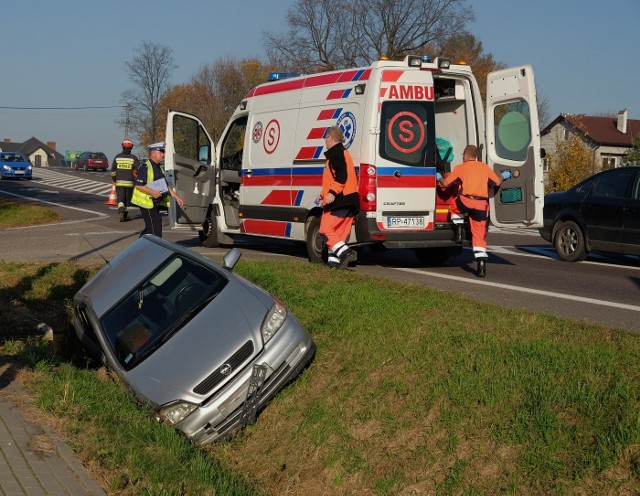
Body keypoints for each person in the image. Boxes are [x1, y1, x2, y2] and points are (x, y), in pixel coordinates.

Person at [437, 144, 511, 278]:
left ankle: (458, 231)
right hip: (481, 205)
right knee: (478, 235)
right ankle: (481, 265)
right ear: (476, 156)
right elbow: (497, 182)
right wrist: (505, 175)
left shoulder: (460, 167)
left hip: (465, 201)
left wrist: (438, 177)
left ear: (465, 156)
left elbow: (446, 184)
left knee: (454, 205)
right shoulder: (484, 167)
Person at [318, 126, 360, 269]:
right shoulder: (343, 152)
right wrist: (323, 195)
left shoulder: (335, 153)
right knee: (338, 236)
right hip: (350, 200)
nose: (325, 141)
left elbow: (341, 176)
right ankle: (334, 265)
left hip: (339, 200)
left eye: (326, 138)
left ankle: (346, 253)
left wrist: (332, 193)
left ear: (330, 139)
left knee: (325, 230)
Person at [131, 142, 184, 238]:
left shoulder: (158, 168)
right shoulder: (145, 167)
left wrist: (176, 197)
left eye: (163, 152)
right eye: (160, 152)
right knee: (155, 230)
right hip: (146, 203)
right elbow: (138, 185)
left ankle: (140, 247)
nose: (163, 154)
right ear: (153, 153)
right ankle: (155, 249)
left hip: (154, 204)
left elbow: (165, 186)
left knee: (150, 229)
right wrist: (153, 192)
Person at [111, 138, 139, 222]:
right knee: (127, 200)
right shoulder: (133, 158)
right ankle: (125, 216)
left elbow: (113, 171)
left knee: (120, 199)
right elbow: (139, 169)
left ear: (122, 147)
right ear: (131, 147)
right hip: (130, 184)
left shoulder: (117, 157)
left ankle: (120, 211)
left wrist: (114, 179)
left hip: (119, 183)